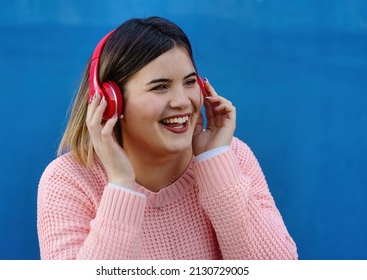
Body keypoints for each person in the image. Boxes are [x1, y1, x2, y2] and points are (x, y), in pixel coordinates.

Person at [37, 16, 297, 260]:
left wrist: (215, 161)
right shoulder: (68, 180)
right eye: (160, 86)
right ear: (111, 102)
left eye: (189, 82)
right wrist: (121, 186)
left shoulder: (231, 156)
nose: (182, 102)